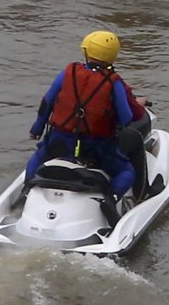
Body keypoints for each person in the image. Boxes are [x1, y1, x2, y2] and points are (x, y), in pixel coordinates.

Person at [26, 29, 151, 204]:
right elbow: (126, 119)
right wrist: (136, 104)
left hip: (59, 143)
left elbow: (47, 102)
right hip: (96, 149)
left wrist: (36, 130)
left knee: (39, 156)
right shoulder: (113, 82)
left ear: (87, 52)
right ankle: (111, 200)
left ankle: (25, 192)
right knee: (126, 172)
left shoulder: (68, 73)